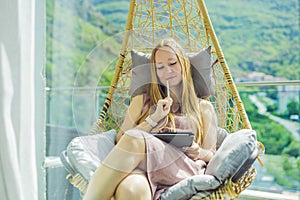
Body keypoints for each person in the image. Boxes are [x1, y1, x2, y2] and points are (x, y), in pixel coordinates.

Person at [83, 38, 218, 200]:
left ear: (184, 64)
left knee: (134, 137)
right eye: (160, 67)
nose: (167, 71)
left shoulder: (202, 107)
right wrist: (154, 119)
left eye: (173, 63)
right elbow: (121, 140)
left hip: (181, 166)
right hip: (144, 169)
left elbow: (211, 154)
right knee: (131, 189)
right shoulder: (142, 100)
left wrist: (198, 151)